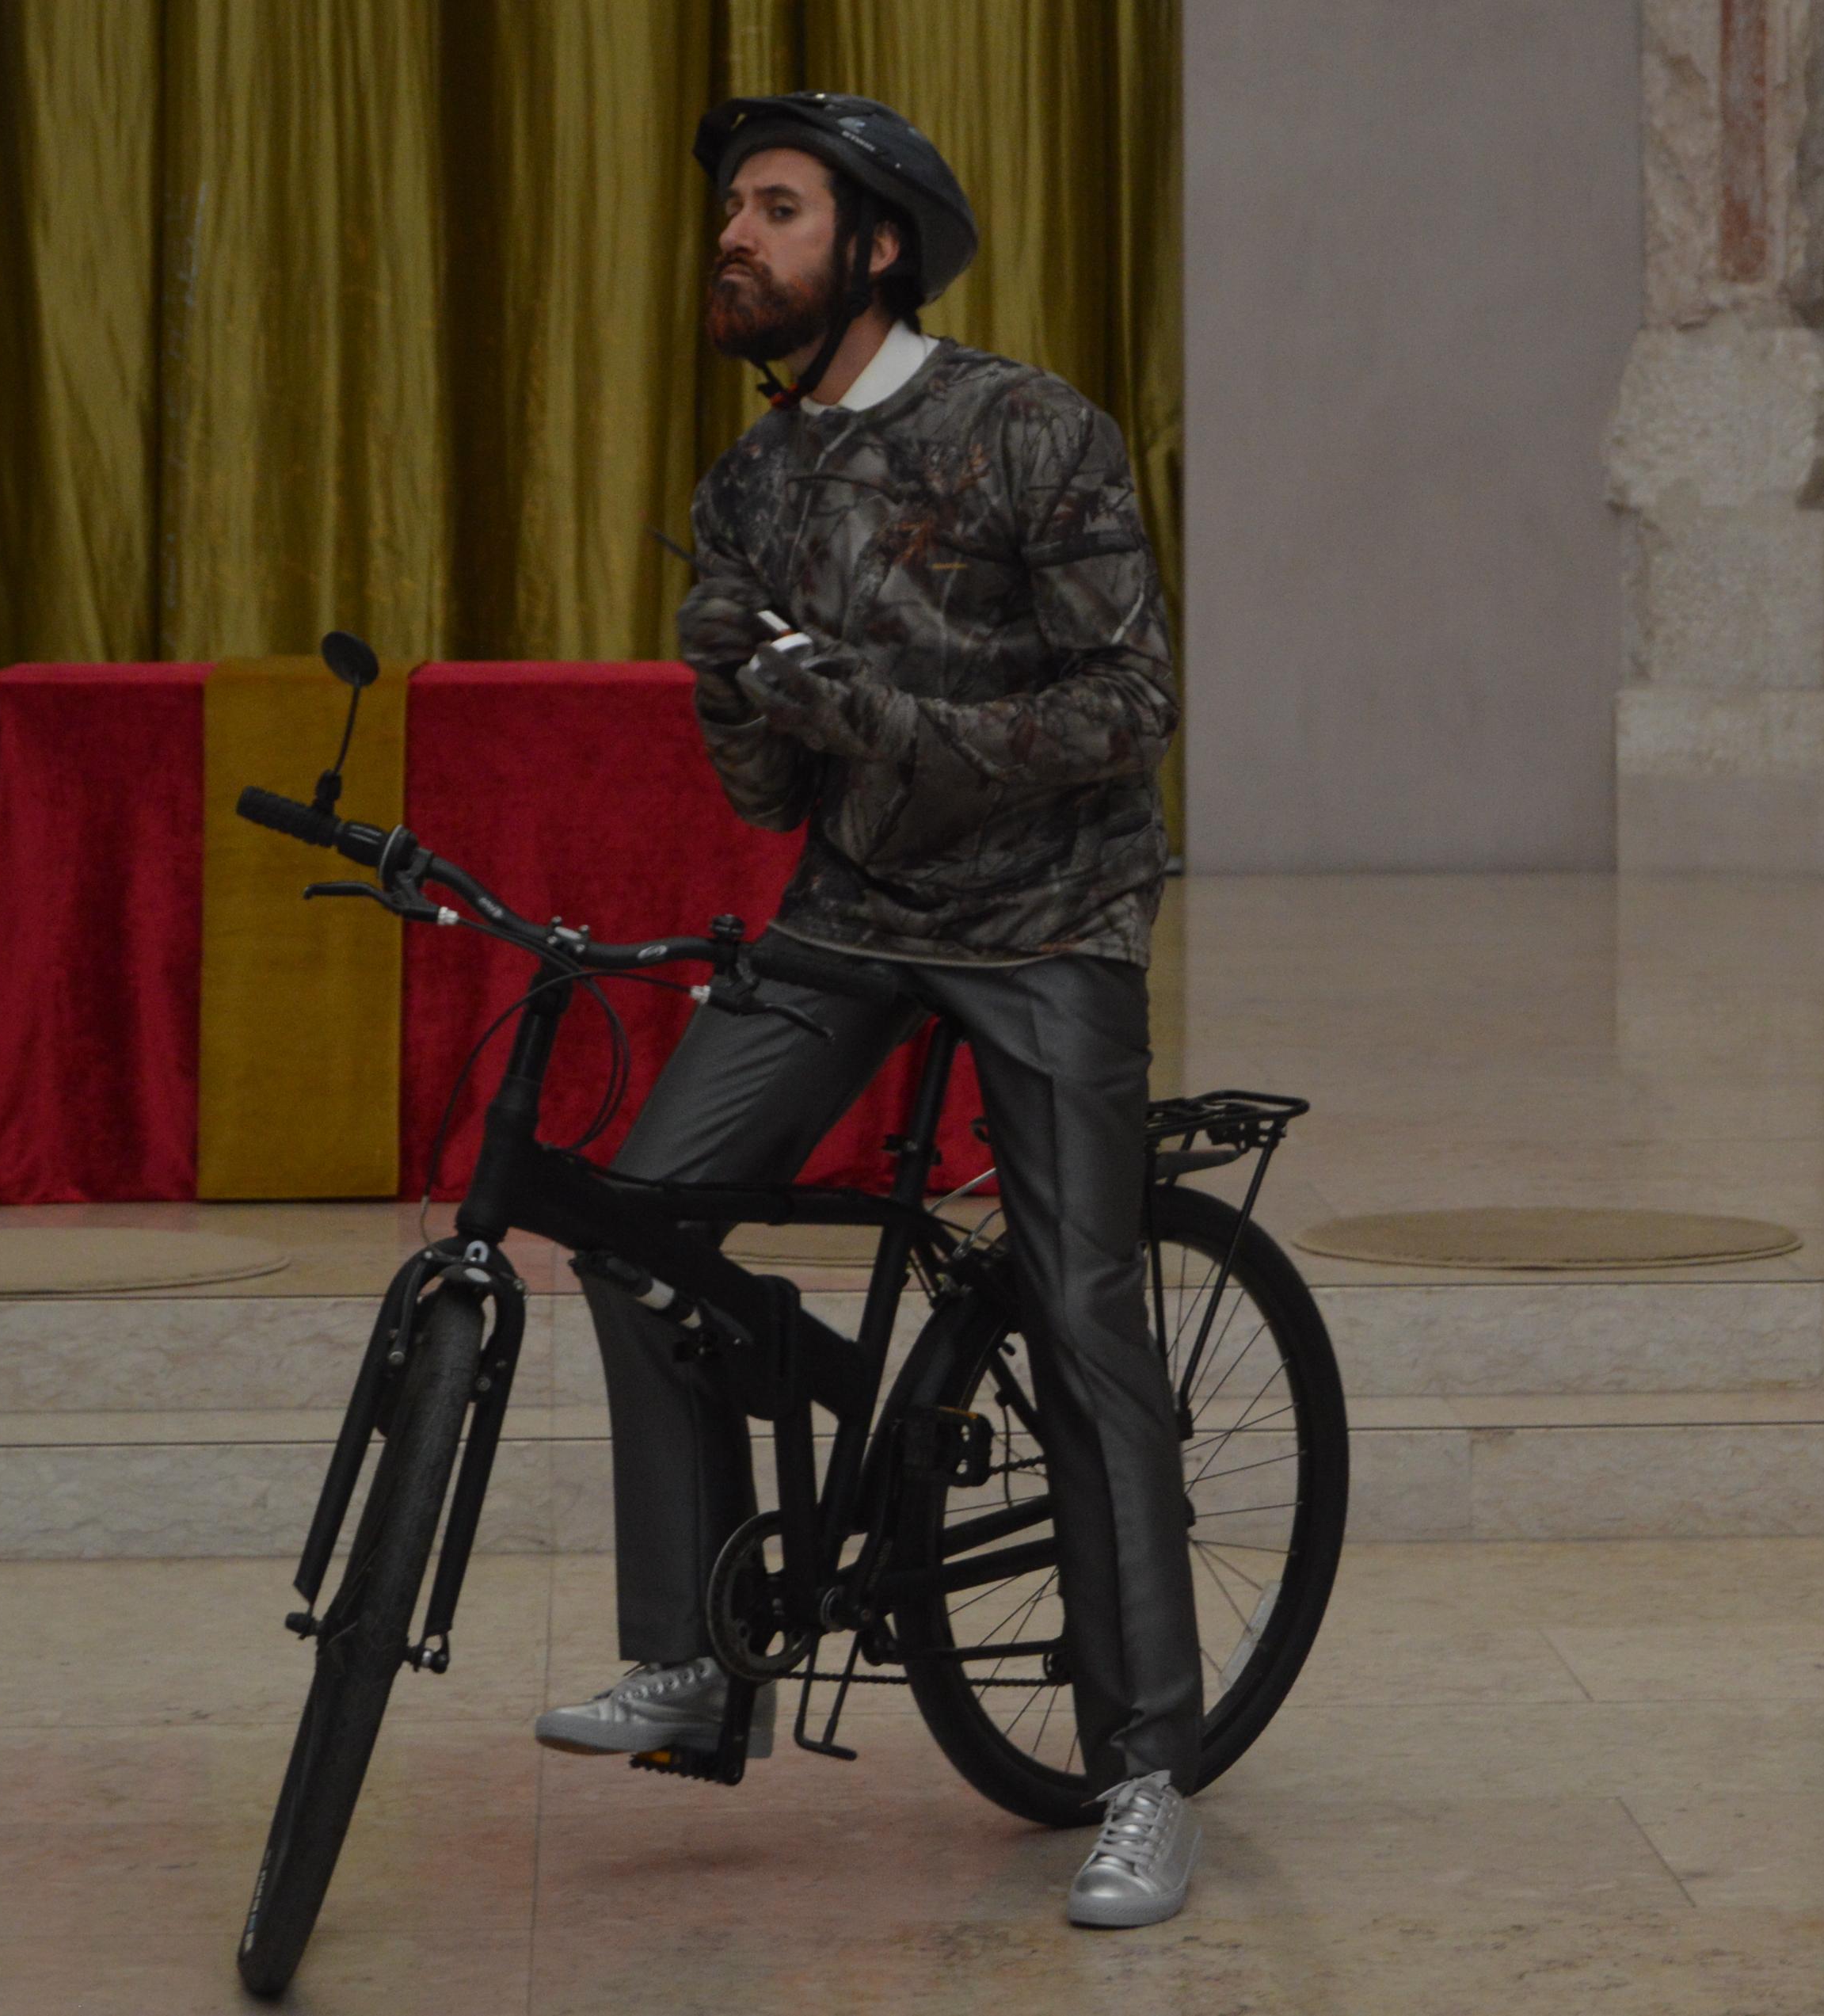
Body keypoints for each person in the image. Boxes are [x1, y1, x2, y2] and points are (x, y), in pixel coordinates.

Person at [529, 92, 1205, 1931]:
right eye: (729, 212)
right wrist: (736, 692)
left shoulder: (1025, 430)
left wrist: (872, 715)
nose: (733, 239)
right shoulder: (750, 481)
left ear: (876, 245)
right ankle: (694, 1656)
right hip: (854, 910)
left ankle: (1146, 1764)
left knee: (1078, 1310)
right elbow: (765, 801)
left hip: (1051, 918)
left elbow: (1129, 706)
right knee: (633, 1226)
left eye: (775, 209)